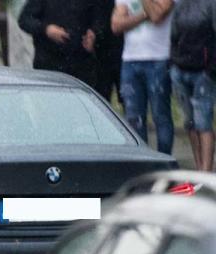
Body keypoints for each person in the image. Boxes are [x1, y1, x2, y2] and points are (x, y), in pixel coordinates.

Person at [112, 0, 176, 155]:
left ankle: (164, 162)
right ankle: (142, 160)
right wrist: (143, 15)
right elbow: (116, 26)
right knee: (134, 119)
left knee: (160, 115)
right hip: (130, 60)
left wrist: (136, 17)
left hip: (159, 59)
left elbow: (156, 16)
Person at [169, 0, 215, 169]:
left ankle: (206, 171)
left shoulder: (210, 4)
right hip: (180, 69)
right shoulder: (180, 4)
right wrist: (172, 63)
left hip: (203, 72)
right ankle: (198, 166)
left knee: (203, 122)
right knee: (190, 122)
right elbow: (174, 35)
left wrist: (211, 69)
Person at [18, 0, 104, 87]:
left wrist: (94, 33)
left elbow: (101, 19)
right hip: (48, 64)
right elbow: (24, 20)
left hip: (81, 65)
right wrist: (46, 29)